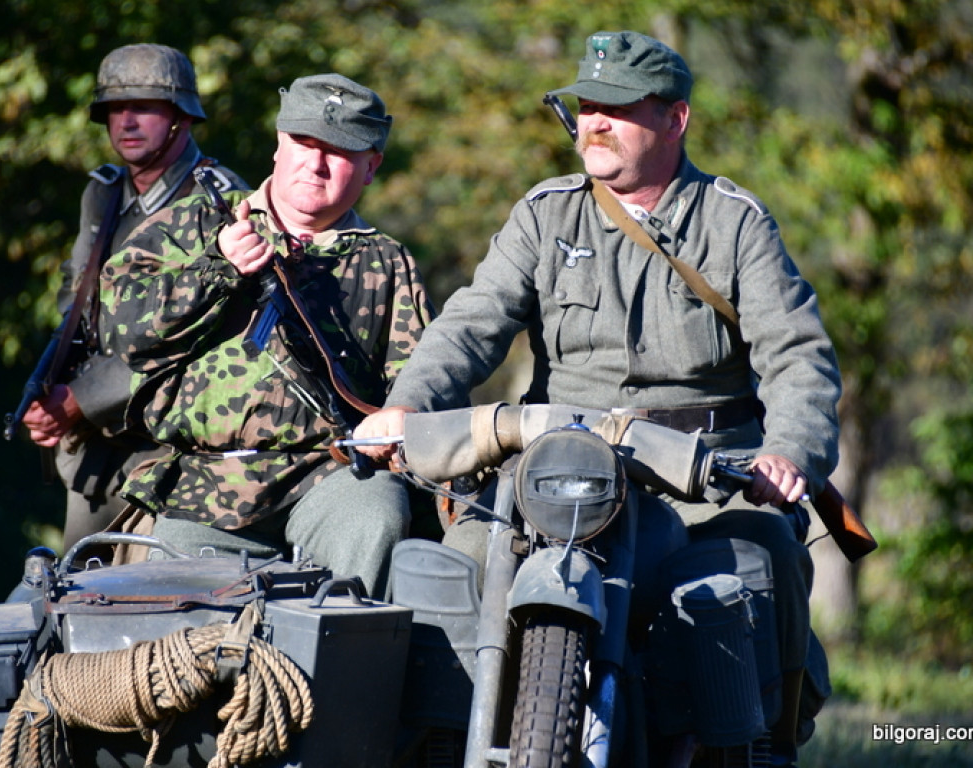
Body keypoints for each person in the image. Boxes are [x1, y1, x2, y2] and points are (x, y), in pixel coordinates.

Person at [354, 30, 840, 765]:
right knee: (465, 556)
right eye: (585, 106)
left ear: (675, 120)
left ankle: (749, 746)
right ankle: (445, 740)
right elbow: (471, 325)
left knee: (763, 559)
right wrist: (409, 405)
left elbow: (797, 356)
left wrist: (788, 452)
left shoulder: (734, 223)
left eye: (617, 107)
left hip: (700, 477)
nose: (595, 123)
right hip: (561, 456)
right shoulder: (545, 216)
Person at [99, 73, 435, 602]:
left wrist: (403, 420)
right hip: (202, 482)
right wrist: (216, 269)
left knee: (377, 515)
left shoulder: (387, 263)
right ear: (278, 145)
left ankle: (344, 672)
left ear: (372, 167)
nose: (315, 163)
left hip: (332, 474)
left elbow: (421, 380)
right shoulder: (195, 224)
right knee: (179, 613)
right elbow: (121, 329)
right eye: (303, 143)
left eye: (340, 151)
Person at [20, 43, 249, 552]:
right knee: (79, 587)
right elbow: (76, 297)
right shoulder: (103, 193)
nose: (125, 120)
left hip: (178, 444)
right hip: (102, 441)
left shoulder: (216, 201)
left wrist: (82, 398)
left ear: (182, 118)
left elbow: (204, 334)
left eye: (144, 106)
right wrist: (58, 386)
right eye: (114, 109)